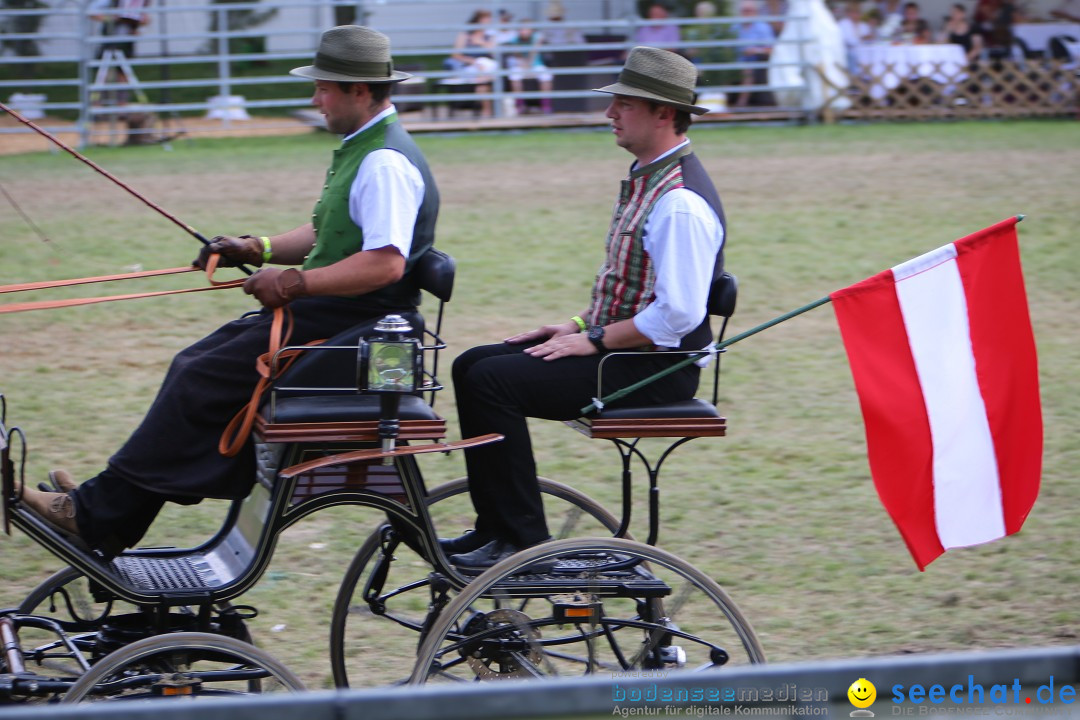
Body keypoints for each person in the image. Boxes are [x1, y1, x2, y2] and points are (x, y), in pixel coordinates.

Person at [18, 25, 440, 559]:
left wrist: (294, 282)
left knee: (199, 376)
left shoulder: (384, 162)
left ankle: (97, 515)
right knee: (195, 363)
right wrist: (254, 248)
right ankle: (105, 510)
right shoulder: (365, 150)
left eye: (324, 88)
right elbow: (329, 236)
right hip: (332, 315)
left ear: (359, 90)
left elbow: (383, 263)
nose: (315, 99)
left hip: (354, 327)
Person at [445, 46, 726, 573]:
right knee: (472, 364)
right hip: (632, 353)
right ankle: (496, 528)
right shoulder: (652, 180)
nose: (610, 112)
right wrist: (577, 325)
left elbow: (679, 315)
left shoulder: (680, 201)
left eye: (624, 103)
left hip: (657, 369)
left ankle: (520, 541)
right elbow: (635, 292)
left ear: (664, 113)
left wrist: (593, 341)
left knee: (492, 382)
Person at [443, 9, 499, 117]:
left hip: (488, 66)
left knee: (485, 74)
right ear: (477, 20)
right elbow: (456, 55)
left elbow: (495, 53)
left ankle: (485, 109)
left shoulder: (490, 35)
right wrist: (474, 62)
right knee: (482, 81)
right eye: (485, 19)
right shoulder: (465, 35)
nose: (488, 22)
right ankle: (486, 110)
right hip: (471, 67)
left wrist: (481, 42)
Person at [504, 19, 554, 114]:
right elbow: (518, 55)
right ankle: (520, 105)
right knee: (514, 75)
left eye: (527, 29)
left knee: (546, 75)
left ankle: (546, 105)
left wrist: (528, 64)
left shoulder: (537, 37)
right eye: (522, 29)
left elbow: (533, 53)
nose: (524, 31)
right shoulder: (515, 40)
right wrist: (524, 64)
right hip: (521, 66)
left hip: (536, 65)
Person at [732, 0, 777, 106]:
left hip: (754, 61)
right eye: (744, 11)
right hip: (735, 60)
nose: (746, 13)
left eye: (749, 11)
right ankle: (721, 102)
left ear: (755, 12)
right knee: (723, 68)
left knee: (747, 70)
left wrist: (754, 50)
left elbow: (772, 49)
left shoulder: (763, 28)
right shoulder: (734, 27)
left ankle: (741, 104)